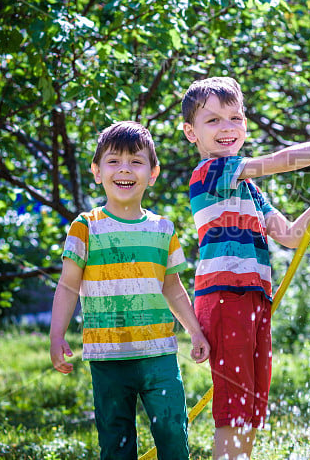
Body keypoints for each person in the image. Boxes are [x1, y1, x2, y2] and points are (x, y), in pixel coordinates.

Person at [181, 76, 310, 459]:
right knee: (234, 406)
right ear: (191, 133)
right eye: (213, 120)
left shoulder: (248, 189)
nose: (227, 128)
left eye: (235, 118)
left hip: (254, 300)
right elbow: (281, 161)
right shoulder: (212, 174)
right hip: (224, 299)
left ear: (246, 125)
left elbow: (289, 235)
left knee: (251, 402)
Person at [49, 121, 211, 460]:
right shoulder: (85, 226)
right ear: (96, 171)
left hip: (159, 354)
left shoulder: (163, 229)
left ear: (153, 173)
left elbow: (173, 287)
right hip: (107, 357)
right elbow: (67, 285)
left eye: (136, 161)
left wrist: (194, 331)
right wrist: (56, 335)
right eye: (113, 161)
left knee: (171, 428)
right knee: (116, 438)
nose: (125, 169)